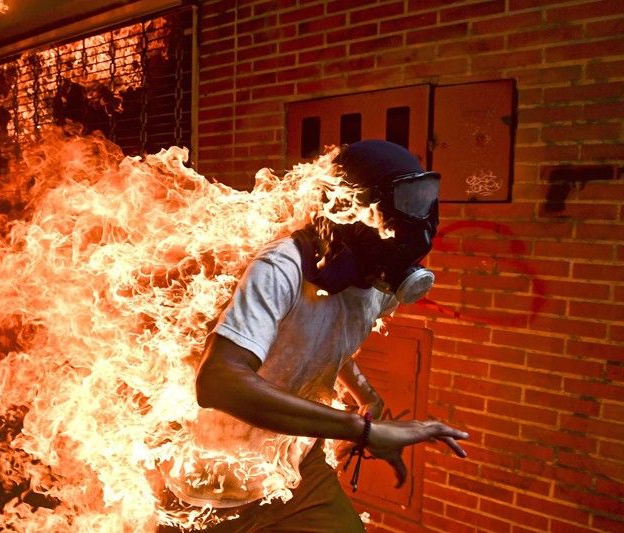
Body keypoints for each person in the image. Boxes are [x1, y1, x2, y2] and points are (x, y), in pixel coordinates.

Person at [159, 140, 468, 532]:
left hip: (298, 470)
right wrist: (363, 430)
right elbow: (219, 380)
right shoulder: (281, 268)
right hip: (216, 484)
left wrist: (369, 400)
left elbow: (328, 343)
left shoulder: (379, 284)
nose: (384, 280)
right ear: (350, 211)